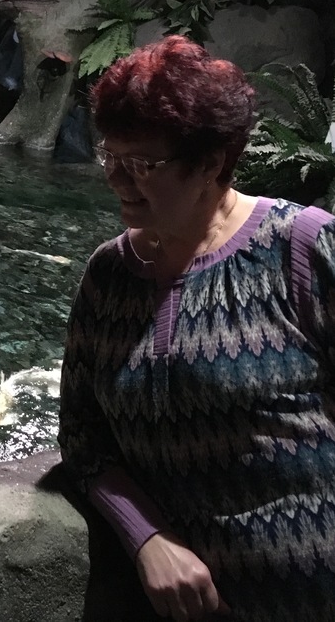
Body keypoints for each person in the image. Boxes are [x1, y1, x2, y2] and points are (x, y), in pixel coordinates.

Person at [58, 35, 335, 622]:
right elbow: (82, 437)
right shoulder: (109, 277)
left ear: (211, 162)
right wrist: (146, 537)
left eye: (143, 164)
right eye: (111, 156)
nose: (118, 179)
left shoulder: (302, 248)